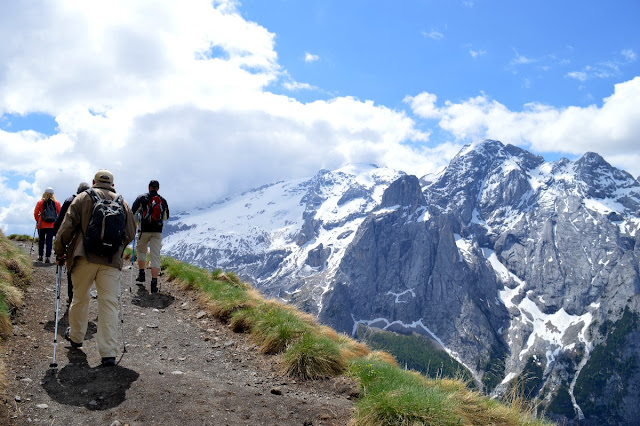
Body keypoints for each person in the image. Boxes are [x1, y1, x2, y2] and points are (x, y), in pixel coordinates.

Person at [54, 169, 135, 367]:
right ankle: (108, 353)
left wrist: (59, 251)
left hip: (84, 257)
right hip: (110, 261)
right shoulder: (122, 202)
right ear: (112, 185)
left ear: (93, 181)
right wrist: (117, 247)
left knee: (80, 298)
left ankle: (76, 337)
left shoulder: (82, 197)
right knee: (108, 304)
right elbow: (131, 232)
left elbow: (67, 227)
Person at [53, 182, 91, 304]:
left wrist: (58, 239)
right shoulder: (92, 201)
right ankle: (82, 296)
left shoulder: (70, 200)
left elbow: (60, 221)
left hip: (72, 240)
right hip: (88, 240)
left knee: (72, 267)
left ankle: (72, 296)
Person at [131, 179, 169, 293]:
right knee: (155, 255)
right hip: (157, 232)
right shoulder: (162, 200)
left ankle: (141, 274)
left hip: (144, 230)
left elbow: (132, 212)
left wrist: (137, 223)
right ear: (158, 188)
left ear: (149, 187)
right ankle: (154, 283)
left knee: (141, 250)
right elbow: (166, 217)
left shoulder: (141, 198)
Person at [33, 187, 61, 263]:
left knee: (41, 240)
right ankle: (48, 257)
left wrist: (38, 220)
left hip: (41, 224)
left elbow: (36, 213)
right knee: (49, 241)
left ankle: (40, 256)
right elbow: (59, 214)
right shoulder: (57, 203)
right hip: (52, 225)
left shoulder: (40, 202)